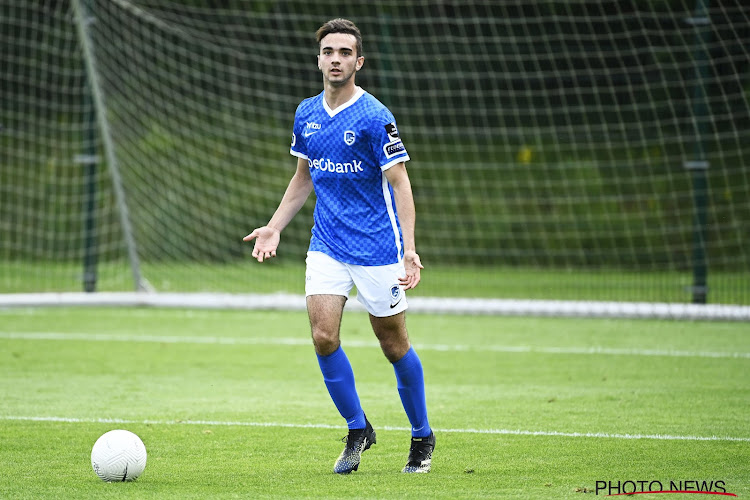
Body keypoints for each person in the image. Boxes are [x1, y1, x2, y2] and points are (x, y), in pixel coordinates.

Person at [243, 18, 434, 474]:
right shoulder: (306, 113)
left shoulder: (374, 117)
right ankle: (357, 429)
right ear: (319, 59)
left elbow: (400, 184)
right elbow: (302, 178)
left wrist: (409, 249)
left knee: (393, 345)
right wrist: (274, 227)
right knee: (323, 336)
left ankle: (422, 435)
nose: (335, 59)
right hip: (326, 244)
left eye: (345, 52)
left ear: (358, 62)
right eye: (329, 51)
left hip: (377, 249)